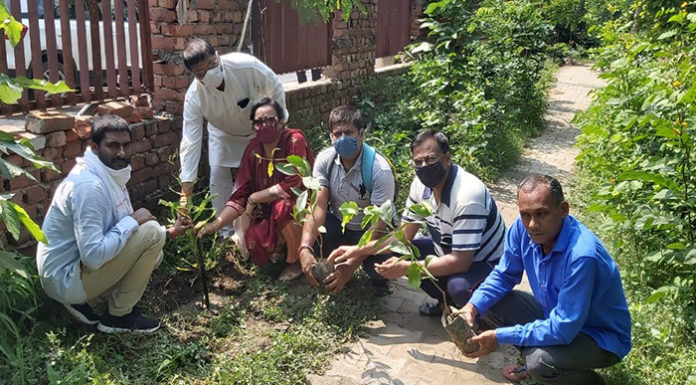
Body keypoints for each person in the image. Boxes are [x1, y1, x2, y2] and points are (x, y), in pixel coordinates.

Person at [459, 174, 631, 384]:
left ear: (563, 210)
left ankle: (590, 382)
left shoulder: (581, 256)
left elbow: (562, 329)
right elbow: (503, 275)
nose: (532, 224)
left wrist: (498, 336)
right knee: (491, 301)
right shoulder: (520, 230)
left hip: (599, 337)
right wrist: (472, 307)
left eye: (542, 213)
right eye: (525, 215)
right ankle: (545, 358)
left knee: (539, 362)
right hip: (556, 316)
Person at [36, 116, 192, 333]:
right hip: (65, 278)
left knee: (155, 252)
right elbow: (94, 256)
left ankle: (89, 300)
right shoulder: (89, 187)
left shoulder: (108, 173)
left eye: (125, 145)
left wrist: (171, 232)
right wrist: (132, 220)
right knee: (150, 234)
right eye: (113, 146)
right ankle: (117, 317)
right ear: (95, 147)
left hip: (74, 268)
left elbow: (121, 235)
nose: (121, 153)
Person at [329, 130, 506, 314]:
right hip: (450, 250)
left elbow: (461, 262)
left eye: (431, 159)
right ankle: (446, 302)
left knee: (459, 287)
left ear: (447, 159)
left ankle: (485, 323)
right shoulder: (420, 187)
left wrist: (407, 268)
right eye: (418, 162)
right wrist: (358, 249)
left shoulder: (467, 195)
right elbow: (403, 238)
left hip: (487, 262)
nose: (424, 166)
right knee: (404, 253)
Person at [178, 38, 287, 236]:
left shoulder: (245, 66)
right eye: (201, 72)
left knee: (267, 176)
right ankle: (225, 233)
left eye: (212, 64)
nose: (210, 73)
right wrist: (185, 194)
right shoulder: (194, 97)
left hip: (257, 130)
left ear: (217, 55)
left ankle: (269, 225)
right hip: (222, 134)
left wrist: (278, 124)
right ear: (193, 75)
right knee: (218, 178)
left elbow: (275, 85)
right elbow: (190, 142)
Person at [197, 98, 314, 280]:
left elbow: (294, 183)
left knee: (282, 208)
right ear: (253, 126)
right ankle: (278, 255)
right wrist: (215, 225)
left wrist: (256, 197)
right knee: (254, 235)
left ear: (281, 121)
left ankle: (296, 261)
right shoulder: (253, 150)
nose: (265, 125)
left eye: (270, 120)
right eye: (259, 121)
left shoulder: (293, 140)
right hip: (266, 210)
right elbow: (240, 197)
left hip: (298, 205)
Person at [298, 105, 396, 296]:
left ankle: (380, 281)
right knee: (318, 230)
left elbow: (379, 224)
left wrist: (349, 267)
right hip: (342, 224)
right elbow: (318, 205)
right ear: (331, 137)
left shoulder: (379, 170)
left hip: (371, 230)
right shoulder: (325, 161)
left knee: (381, 260)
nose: (343, 138)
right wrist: (304, 248)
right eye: (338, 133)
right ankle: (330, 271)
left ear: (361, 134)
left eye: (349, 132)